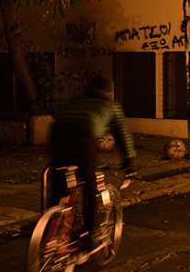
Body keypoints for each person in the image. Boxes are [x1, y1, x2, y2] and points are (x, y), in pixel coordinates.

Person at [49, 75, 136, 247]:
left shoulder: (78, 100)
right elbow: (122, 133)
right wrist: (130, 162)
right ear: (107, 92)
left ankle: (47, 226)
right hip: (82, 137)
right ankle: (89, 235)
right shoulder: (110, 104)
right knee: (90, 184)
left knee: (59, 184)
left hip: (57, 135)